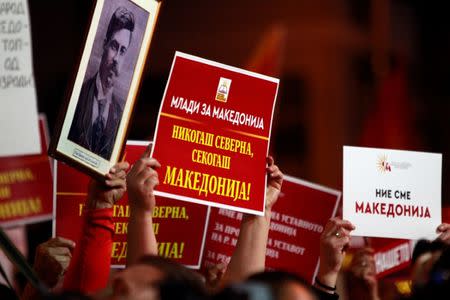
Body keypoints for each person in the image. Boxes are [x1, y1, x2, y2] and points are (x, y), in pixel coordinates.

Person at [68, 6, 135, 159]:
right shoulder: (77, 96)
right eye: (114, 46)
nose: (117, 58)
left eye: (122, 51)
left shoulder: (121, 114)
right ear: (105, 44)